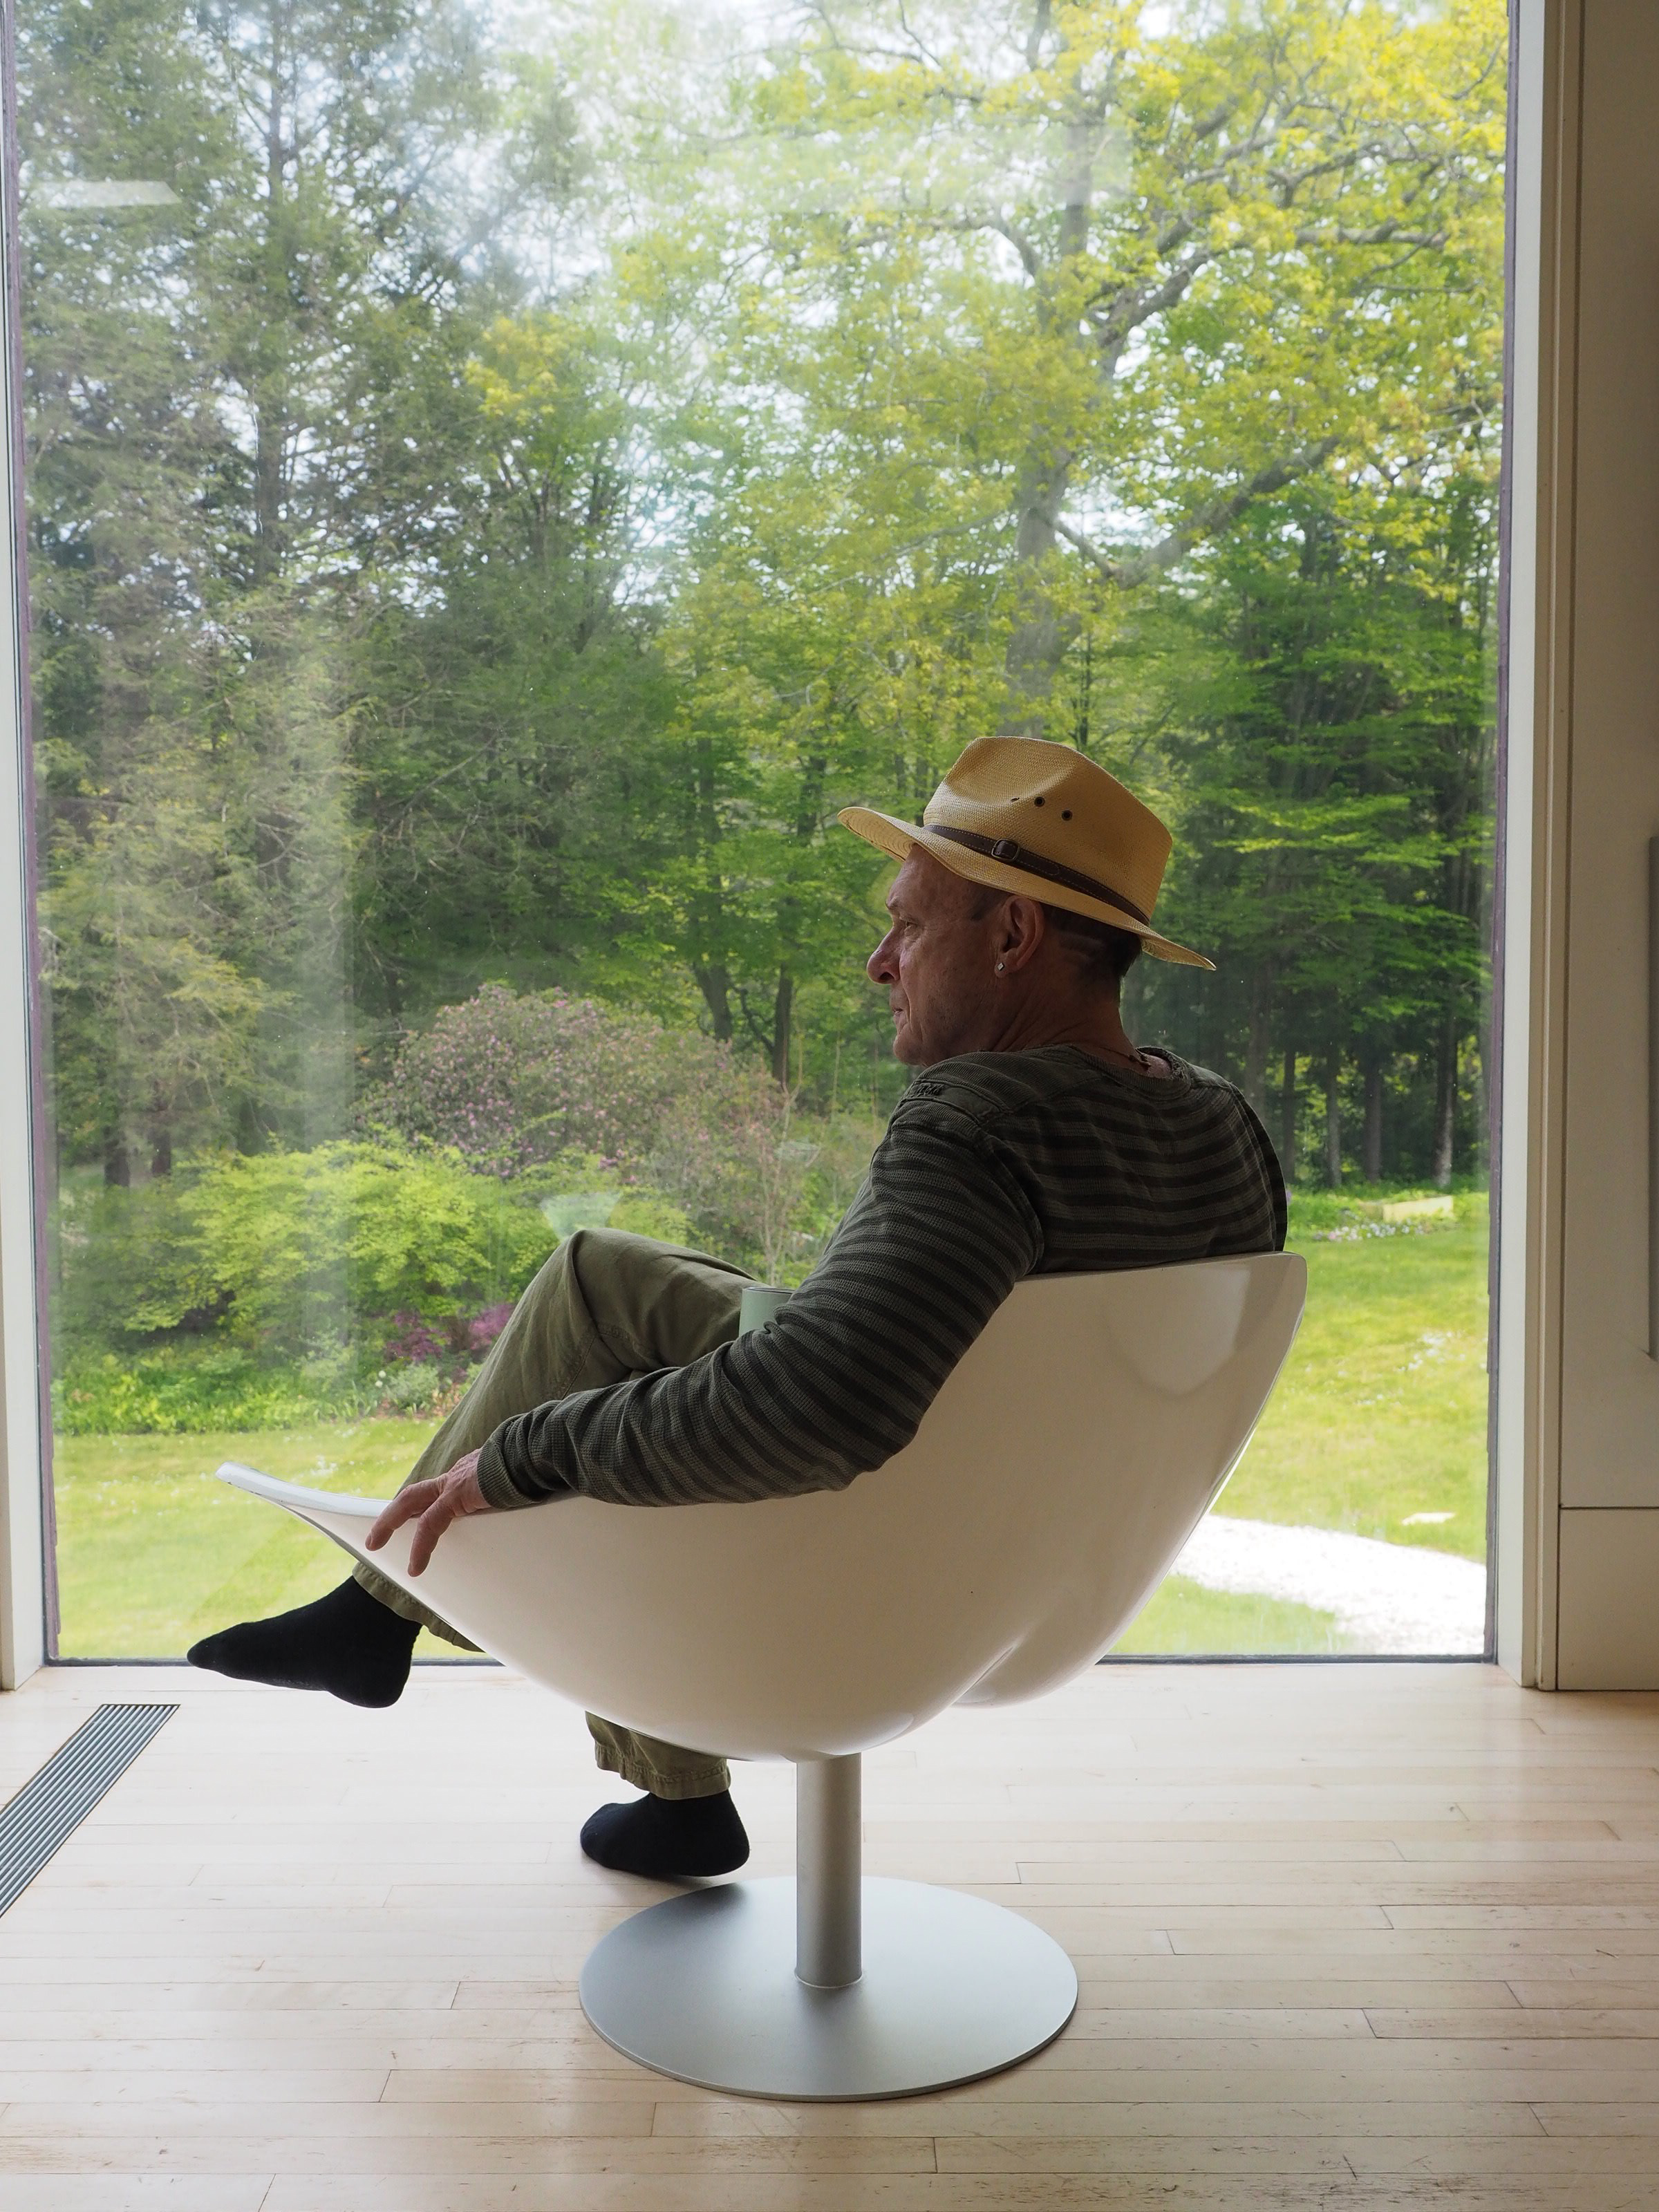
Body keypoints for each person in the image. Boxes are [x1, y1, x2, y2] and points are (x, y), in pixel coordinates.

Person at [189, 735, 1286, 1878]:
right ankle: (599, 1759)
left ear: (1014, 938)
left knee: (608, 1371)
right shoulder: (1220, 1127)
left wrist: (525, 1453)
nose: (877, 962)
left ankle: (405, 1634)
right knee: (601, 1276)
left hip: (869, 1549)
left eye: (909, 925)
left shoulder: (981, 1125)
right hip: (1040, 1552)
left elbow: (818, 1408)